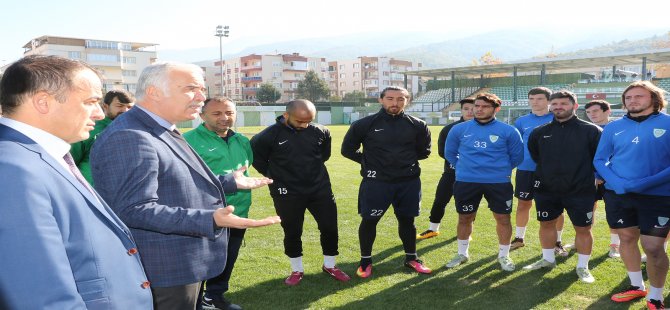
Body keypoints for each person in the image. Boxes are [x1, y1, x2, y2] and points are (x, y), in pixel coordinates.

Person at [90, 62, 280, 310]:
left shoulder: (160, 128)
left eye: (202, 88)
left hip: (181, 262)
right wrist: (211, 219)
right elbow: (134, 209)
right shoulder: (131, 136)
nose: (201, 97)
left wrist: (229, 182)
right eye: (191, 89)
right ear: (154, 92)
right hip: (164, 268)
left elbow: (174, 180)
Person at [0, 55, 153, 309]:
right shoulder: (12, 168)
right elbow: (41, 297)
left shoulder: (41, 154)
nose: (98, 112)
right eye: (90, 101)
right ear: (42, 102)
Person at [250, 99, 350, 286]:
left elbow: (323, 156)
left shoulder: (321, 131)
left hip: (319, 188)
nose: (304, 125)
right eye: (300, 121)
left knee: (329, 228)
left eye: (309, 121)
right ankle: (297, 269)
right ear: (286, 115)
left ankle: (330, 265)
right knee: (292, 231)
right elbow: (258, 160)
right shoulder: (266, 136)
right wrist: (277, 176)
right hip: (287, 192)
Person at [342, 86, 432, 278]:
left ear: (407, 101)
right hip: (377, 183)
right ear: (381, 100)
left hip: (408, 182)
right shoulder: (364, 124)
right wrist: (370, 162)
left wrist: (401, 162)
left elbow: (424, 152)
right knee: (370, 220)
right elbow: (347, 150)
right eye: (390, 98)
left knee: (408, 220)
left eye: (400, 99)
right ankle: (365, 261)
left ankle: (411, 258)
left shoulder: (417, 125)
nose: (395, 103)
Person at [594, 81, 670, 309]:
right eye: (628, 97)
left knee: (654, 247)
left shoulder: (667, 123)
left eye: (639, 96)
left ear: (654, 99)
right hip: (619, 194)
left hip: (658, 196)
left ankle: (656, 296)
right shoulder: (613, 127)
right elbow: (599, 159)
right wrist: (616, 182)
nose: (632, 101)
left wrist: (644, 183)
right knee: (626, 239)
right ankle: (637, 286)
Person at [522, 90, 602, 284]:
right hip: (547, 189)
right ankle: (548, 259)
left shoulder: (591, 131)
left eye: (563, 104)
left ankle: (583, 266)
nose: (558, 107)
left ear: (574, 106)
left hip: (580, 189)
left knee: (582, 229)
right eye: (555, 104)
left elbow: (598, 158)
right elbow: (536, 156)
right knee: (546, 224)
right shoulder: (539, 132)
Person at [443, 93, 523, 271]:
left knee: (503, 218)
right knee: (465, 217)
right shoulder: (459, 129)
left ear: (496, 109)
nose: (478, 110)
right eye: (476, 106)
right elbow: (449, 153)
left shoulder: (508, 131)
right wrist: (464, 168)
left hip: (498, 182)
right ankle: (462, 253)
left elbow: (517, 157)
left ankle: (504, 255)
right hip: (466, 181)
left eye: (484, 107)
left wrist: (499, 170)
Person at [183, 97, 251, 310]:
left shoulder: (241, 140)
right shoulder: (188, 141)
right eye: (217, 113)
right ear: (202, 115)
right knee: (200, 261)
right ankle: (194, 302)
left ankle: (214, 297)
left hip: (238, 211)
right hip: (206, 214)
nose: (225, 118)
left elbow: (246, 167)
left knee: (227, 258)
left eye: (229, 113)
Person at [510, 87, 569, 256]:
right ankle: (519, 239)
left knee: (557, 208)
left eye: (539, 99)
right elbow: (515, 145)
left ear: (549, 101)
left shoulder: (558, 119)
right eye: (531, 99)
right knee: (523, 204)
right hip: (526, 169)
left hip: (553, 172)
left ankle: (557, 242)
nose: (535, 102)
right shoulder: (522, 121)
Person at [417, 98, 475, 239]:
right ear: (461, 110)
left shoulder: (483, 129)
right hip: (451, 173)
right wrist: (461, 163)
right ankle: (433, 229)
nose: (470, 112)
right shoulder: (449, 129)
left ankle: (466, 231)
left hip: (473, 175)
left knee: (469, 204)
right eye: (466, 108)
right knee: (440, 200)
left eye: (473, 108)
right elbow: (443, 152)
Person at [70, 89, 134, 185]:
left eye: (129, 107)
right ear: (105, 106)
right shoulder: (88, 130)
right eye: (120, 106)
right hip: (91, 193)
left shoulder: (136, 132)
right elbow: (70, 162)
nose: (125, 110)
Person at [584, 99, 620, 258]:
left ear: (607, 111)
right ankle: (582, 240)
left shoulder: (617, 129)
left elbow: (616, 155)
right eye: (589, 112)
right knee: (586, 210)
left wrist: (601, 175)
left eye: (596, 111)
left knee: (613, 211)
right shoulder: (586, 130)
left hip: (610, 178)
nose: (592, 115)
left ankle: (615, 245)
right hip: (587, 178)